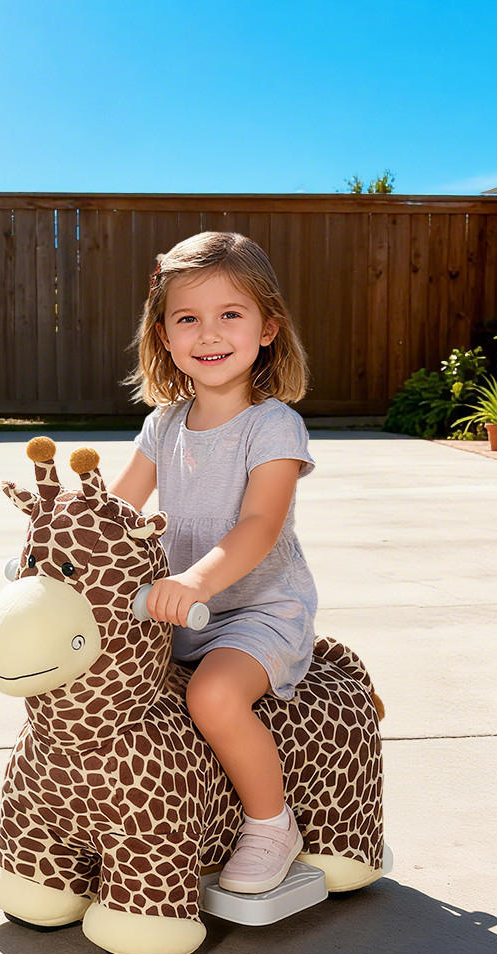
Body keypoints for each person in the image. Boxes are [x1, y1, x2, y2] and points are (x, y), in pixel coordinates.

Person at [109, 231, 317, 895]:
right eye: (188, 318)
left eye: (231, 314)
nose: (209, 333)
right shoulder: (163, 425)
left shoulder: (273, 425)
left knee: (212, 695)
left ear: (268, 328)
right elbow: (117, 509)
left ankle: (270, 823)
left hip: (255, 612)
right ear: (164, 335)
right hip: (178, 612)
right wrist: (61, 544)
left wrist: (195, 579)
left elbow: (260, 524)